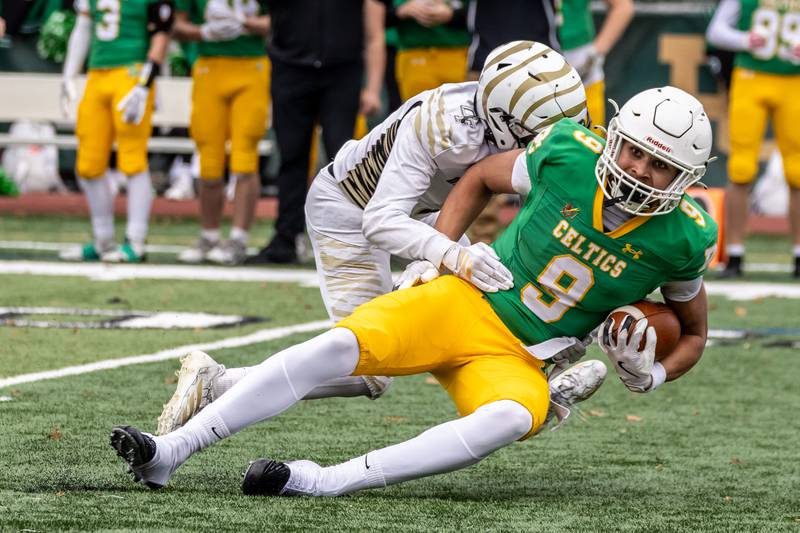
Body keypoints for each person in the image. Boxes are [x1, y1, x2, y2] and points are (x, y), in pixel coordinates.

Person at [110, 86, 718, 497]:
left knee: (510, 417)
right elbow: (480, 176)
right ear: (615, 137)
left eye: (659, 165)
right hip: (465, 301)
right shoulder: (569, 153)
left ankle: (323, 480)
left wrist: (652, 376)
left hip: (524, 355)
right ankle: (172, 450)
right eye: (634, 152)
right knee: (339, 346)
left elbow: (692, 333)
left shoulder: (686, 236)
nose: (639, 171)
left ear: (685, 177)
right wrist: (442, 251)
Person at [154, 40, 591, 437]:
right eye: (540, 133)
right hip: (350, 209)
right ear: (503, 119)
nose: (553, 143)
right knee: (367, 367)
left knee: (478, 296)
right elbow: (380, 220)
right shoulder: (442, 125)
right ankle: (217, 384)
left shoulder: (498, 122)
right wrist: (449, 254)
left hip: (420, 212)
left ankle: (531, 377)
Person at [245, 0, 386, 265]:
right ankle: (286, 238)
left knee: (343, 160)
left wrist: (373, 88)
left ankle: (350, 241)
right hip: (290, 69)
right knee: (291, 156)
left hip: (342, 73)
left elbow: (374, 33)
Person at [58, 0, 174, 262]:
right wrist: (68, 74)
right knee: (88, 164)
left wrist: (145, 83)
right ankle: (103, 240)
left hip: (131, 72)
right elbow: (84, 24)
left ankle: (136, 240)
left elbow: (162, 34)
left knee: (132, 159)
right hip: (97, 74)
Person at [707, 0, 800, 278]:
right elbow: (716, 31)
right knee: (741, 168)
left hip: (793, 82)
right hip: (751, 77)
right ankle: (735, 253)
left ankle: (798, 253)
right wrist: (746, 40)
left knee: (797, 171)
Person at [173, 0, 270, 266]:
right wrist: (204, 32)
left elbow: (283, 20)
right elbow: (176, 24)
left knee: (245, 157)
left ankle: (238, 238)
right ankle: (209, 235)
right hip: (209, 66)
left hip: (251, 65)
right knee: (209, 158)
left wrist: (248, 24)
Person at [559, 0, 634, 126]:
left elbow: (623, 6)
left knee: (589, 135)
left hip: (581, 63)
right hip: (539, 61)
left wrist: (595, 53)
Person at [391, 0, 470, 102]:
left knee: (462, 107)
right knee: (418, 108)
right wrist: (400, 11)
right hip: (415, 55)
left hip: (460, 53)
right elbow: (377, 16)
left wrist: (453, 14)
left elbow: (482, 14)